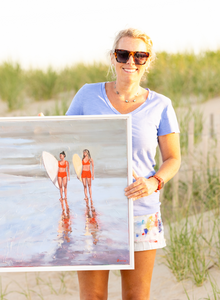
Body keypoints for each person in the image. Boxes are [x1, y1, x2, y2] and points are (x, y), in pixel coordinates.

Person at [66, 28, 181, 300]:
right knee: (93, 296)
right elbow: (67, 141)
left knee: (136, 296)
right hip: (93, 211)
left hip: (141, 213)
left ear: (148, 61)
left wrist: (154, 182)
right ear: (112, 57)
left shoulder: (161, 106)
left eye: (140, 56)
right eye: (123, 54)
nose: (131, 61)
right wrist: (41, 129)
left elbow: (173, 159)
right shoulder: (87, 96)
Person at [57, 151, 70, 215]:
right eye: (60, 156)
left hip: (64, 174)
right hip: (59, 174)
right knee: (60, 186)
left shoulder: (66, 162)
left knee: (65, 186)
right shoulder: (58, 162)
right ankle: (61, 197)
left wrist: (69, 176)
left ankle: (65, 196)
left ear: (64, 156)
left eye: (61, 155)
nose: (60, 156)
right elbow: (55, 169)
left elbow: (68, 170)